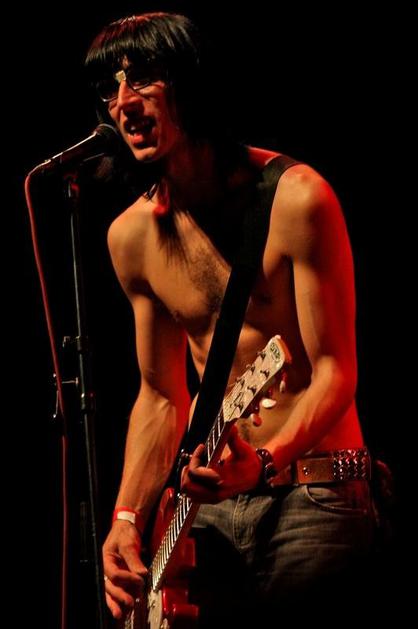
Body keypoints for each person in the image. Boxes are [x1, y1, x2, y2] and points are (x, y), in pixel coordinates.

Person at [85, 11, 376, 626]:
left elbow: (335, 370)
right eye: (110, 88)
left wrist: (265, 462)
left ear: (190, 82)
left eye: (143, 78)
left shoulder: (298, 198)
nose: (123, 103)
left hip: (314, 493)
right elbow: (160, 396)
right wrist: (127, 517)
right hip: (207, 514)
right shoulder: (132, 237)